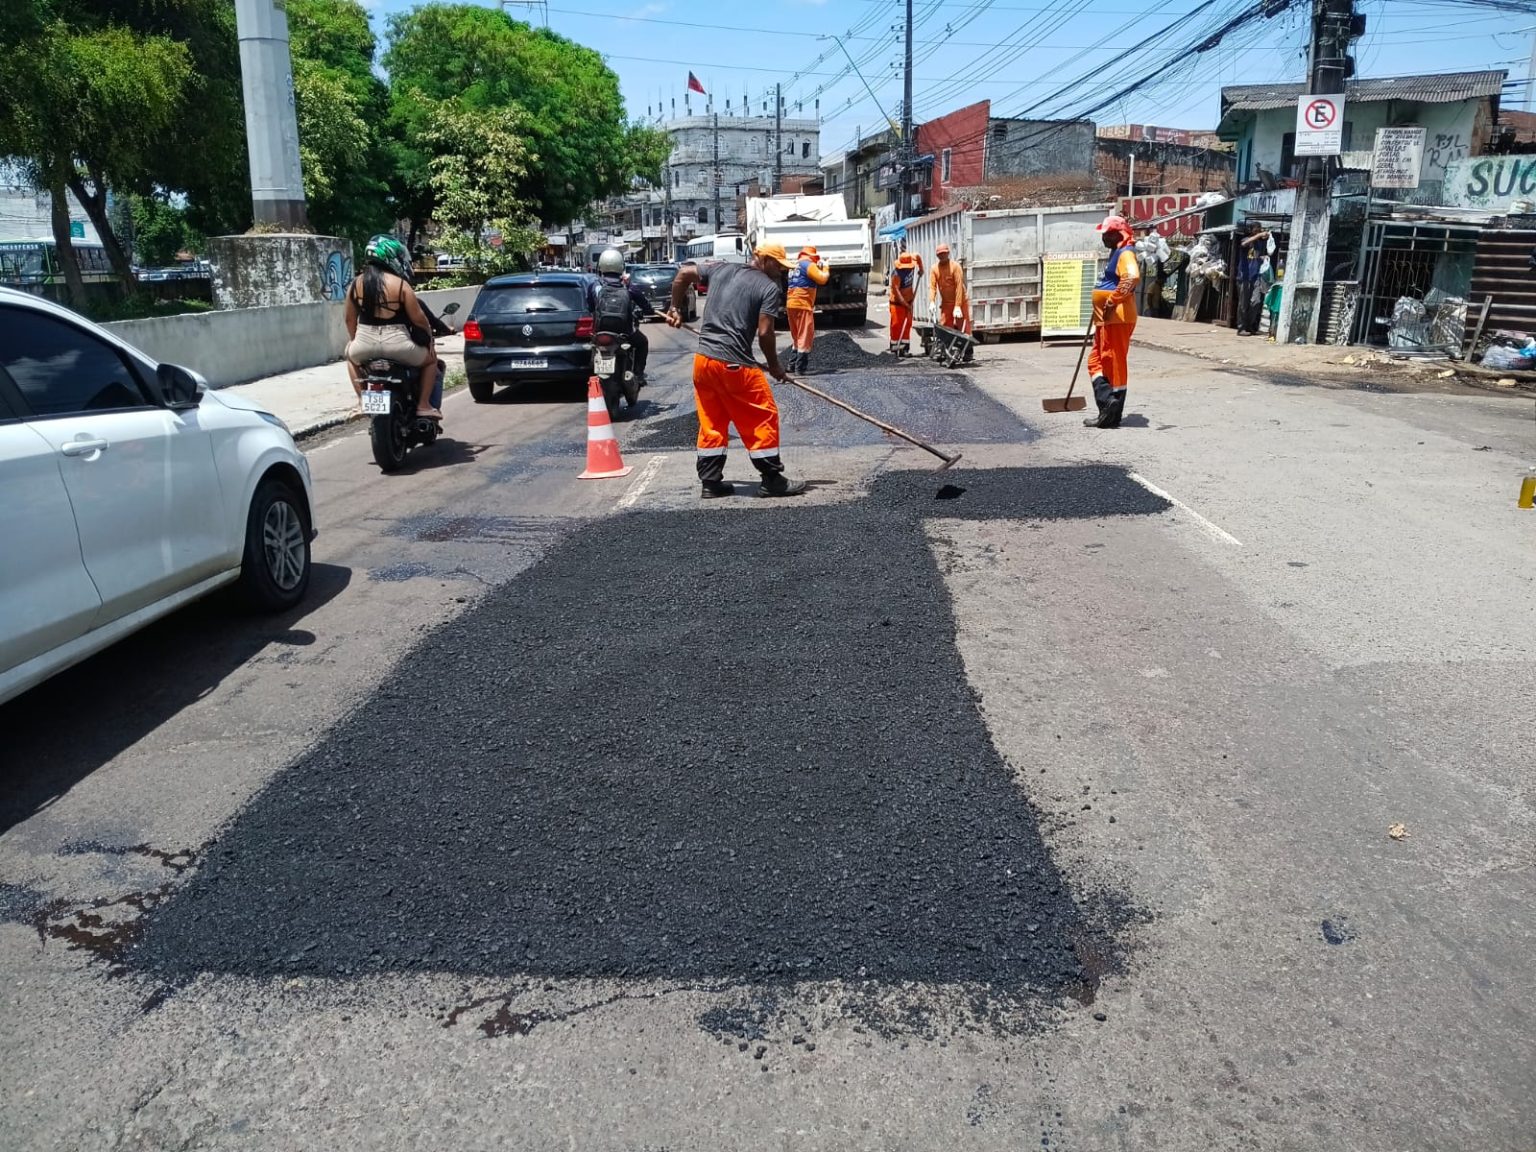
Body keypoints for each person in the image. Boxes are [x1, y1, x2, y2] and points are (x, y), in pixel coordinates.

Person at [666, 243, 808, 499]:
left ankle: (711, 483)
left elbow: (684, 273)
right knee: (763, 416)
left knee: (712, 422)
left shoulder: (720, 269)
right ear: (764, 259)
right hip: (734, 365)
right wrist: (775, 366)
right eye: (778, 265)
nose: (781, 271)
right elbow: (765, 332)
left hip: (704, 362)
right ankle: (772, 479)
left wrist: (674, 307)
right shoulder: (768, 288)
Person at [344, 235, 440, 419]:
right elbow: (419, 319)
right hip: (399, 344)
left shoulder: (355, 284)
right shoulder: (400, 284)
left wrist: (354, 340)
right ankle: (423, 405)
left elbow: (349, 319)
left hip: (364, 343)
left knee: (350, 357)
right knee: (431, 361)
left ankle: (362, 401)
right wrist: (430, 341)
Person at [1085, 214, 1140, 430]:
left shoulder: (1126, 253)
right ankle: (1108, 404)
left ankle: (1110, 410)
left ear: (1120, 234)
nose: (1104, 238)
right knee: (1097, 361)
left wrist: (1112, 300)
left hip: (1117, 317)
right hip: (1106, 319)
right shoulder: (1116, 253)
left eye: (1108, 234)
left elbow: (1132, 277)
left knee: (1113, 363)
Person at [589, 248, 652, 384]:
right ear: (621, 266)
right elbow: (644, 304)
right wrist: (649, 311)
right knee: (643, 343)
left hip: (600, 331)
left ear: (600, 266)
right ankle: (638, 375)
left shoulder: (595, 286)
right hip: (625, 332)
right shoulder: (627, 286)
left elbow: (590, 307)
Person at [785, 245, 830, 373]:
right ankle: (800, 368)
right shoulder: (808, 265)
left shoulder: (795, 266)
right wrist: (826, 267)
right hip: (802, 304)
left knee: (796, 336)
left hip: (791, 304)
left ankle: (791, 365)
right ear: (812, 256)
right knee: (805, 335)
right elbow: (822, 279)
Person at [930, 242, 973, 361]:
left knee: (963, 326)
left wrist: (958, 306)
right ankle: (946, 350)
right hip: (946, 303)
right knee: (945, 327)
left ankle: (968, 352)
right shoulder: (935, 269)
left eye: (944, 253)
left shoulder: (955, 267)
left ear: (948, 253)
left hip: (961, 302)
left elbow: (959, 286)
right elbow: (932, 287)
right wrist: (932, 301)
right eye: (940, 254)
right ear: (937, 255)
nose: (942, 256)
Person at [1235, 221, 1274, 336]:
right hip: (1244, 277)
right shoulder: (1245, 240)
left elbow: (1256, 257)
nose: (1259, 230)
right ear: (1251, 230)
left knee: (1256, 302)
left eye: (1260, 229)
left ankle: (1250, 325)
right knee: (1243, 304)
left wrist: (1263, 258)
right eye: (1257, 229)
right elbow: (1244, 244)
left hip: (1255, 276)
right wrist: (1259, 235)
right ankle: (1241, 328)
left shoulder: (1259, 244)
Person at [889, 248, 921, 357]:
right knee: (896, 324)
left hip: (909, 300)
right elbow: (897, 293)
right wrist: (906, 305)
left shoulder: (912, 263)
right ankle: (894, 346)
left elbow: (918, 257)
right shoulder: (896, 275)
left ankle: (905, 348)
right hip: (897, 303)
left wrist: (921, 269)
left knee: (907, 324)